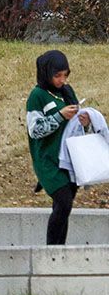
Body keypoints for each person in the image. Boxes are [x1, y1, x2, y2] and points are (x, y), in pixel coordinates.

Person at [27, 50, 91, 245]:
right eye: (57, 76)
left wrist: (85, 122)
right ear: (46, 74)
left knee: (64, 208)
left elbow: (76, 127)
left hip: (69, 159)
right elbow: (35, 130)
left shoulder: (66, 92)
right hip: (48, 160)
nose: (62, 80)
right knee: (63, 202)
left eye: (65, 75)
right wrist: (59, 115)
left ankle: (59, 250)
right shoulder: (37, 96)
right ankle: (51, 251)